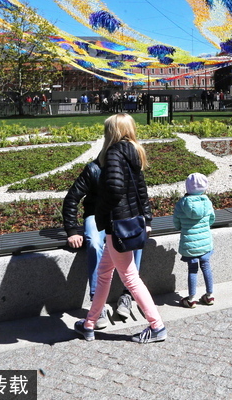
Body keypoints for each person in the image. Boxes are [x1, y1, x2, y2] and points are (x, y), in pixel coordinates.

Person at [76, 114, 166, 344]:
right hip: (130, 221)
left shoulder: (115, 152)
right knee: (104, 273)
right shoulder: (134, 151)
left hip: (118, 225)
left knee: (130, 278)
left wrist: (102, 213)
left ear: (113, 131)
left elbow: (115, 189)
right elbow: (141, 190)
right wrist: (146, 218)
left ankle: (157, 326)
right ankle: (89, 323)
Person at [62, 158, 144, 328]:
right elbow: (71, 198)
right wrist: (71, 231)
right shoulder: (93, 169)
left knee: (136, 238)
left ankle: (127, 295)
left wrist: (146, 221)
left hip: (121, 215)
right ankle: (97, 304)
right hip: (95, 214)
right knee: (93, 241)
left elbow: (140, 195)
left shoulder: (128, 166)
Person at [173, 173, 216, 307]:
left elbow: (176, 223)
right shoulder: (207, 202)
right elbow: (211, 219)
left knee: (192, 270)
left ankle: (191, 299)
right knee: (206, 267)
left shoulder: (181, 204)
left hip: (189, 244)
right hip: (205, 242)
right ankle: (209, 296)